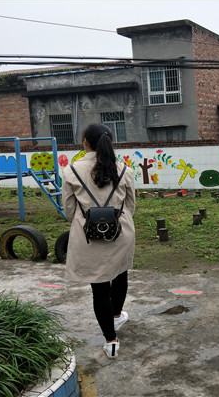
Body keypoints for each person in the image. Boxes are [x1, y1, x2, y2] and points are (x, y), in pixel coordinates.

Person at [62, 123, 136, 359]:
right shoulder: (124, 170)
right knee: (120, 272)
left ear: (85, 142)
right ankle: (116, 317)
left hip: (88, 235)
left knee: (99, 288)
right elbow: (130, 206)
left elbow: (69, 210)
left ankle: (111, 341)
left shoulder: (71, 170)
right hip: (121, 233)